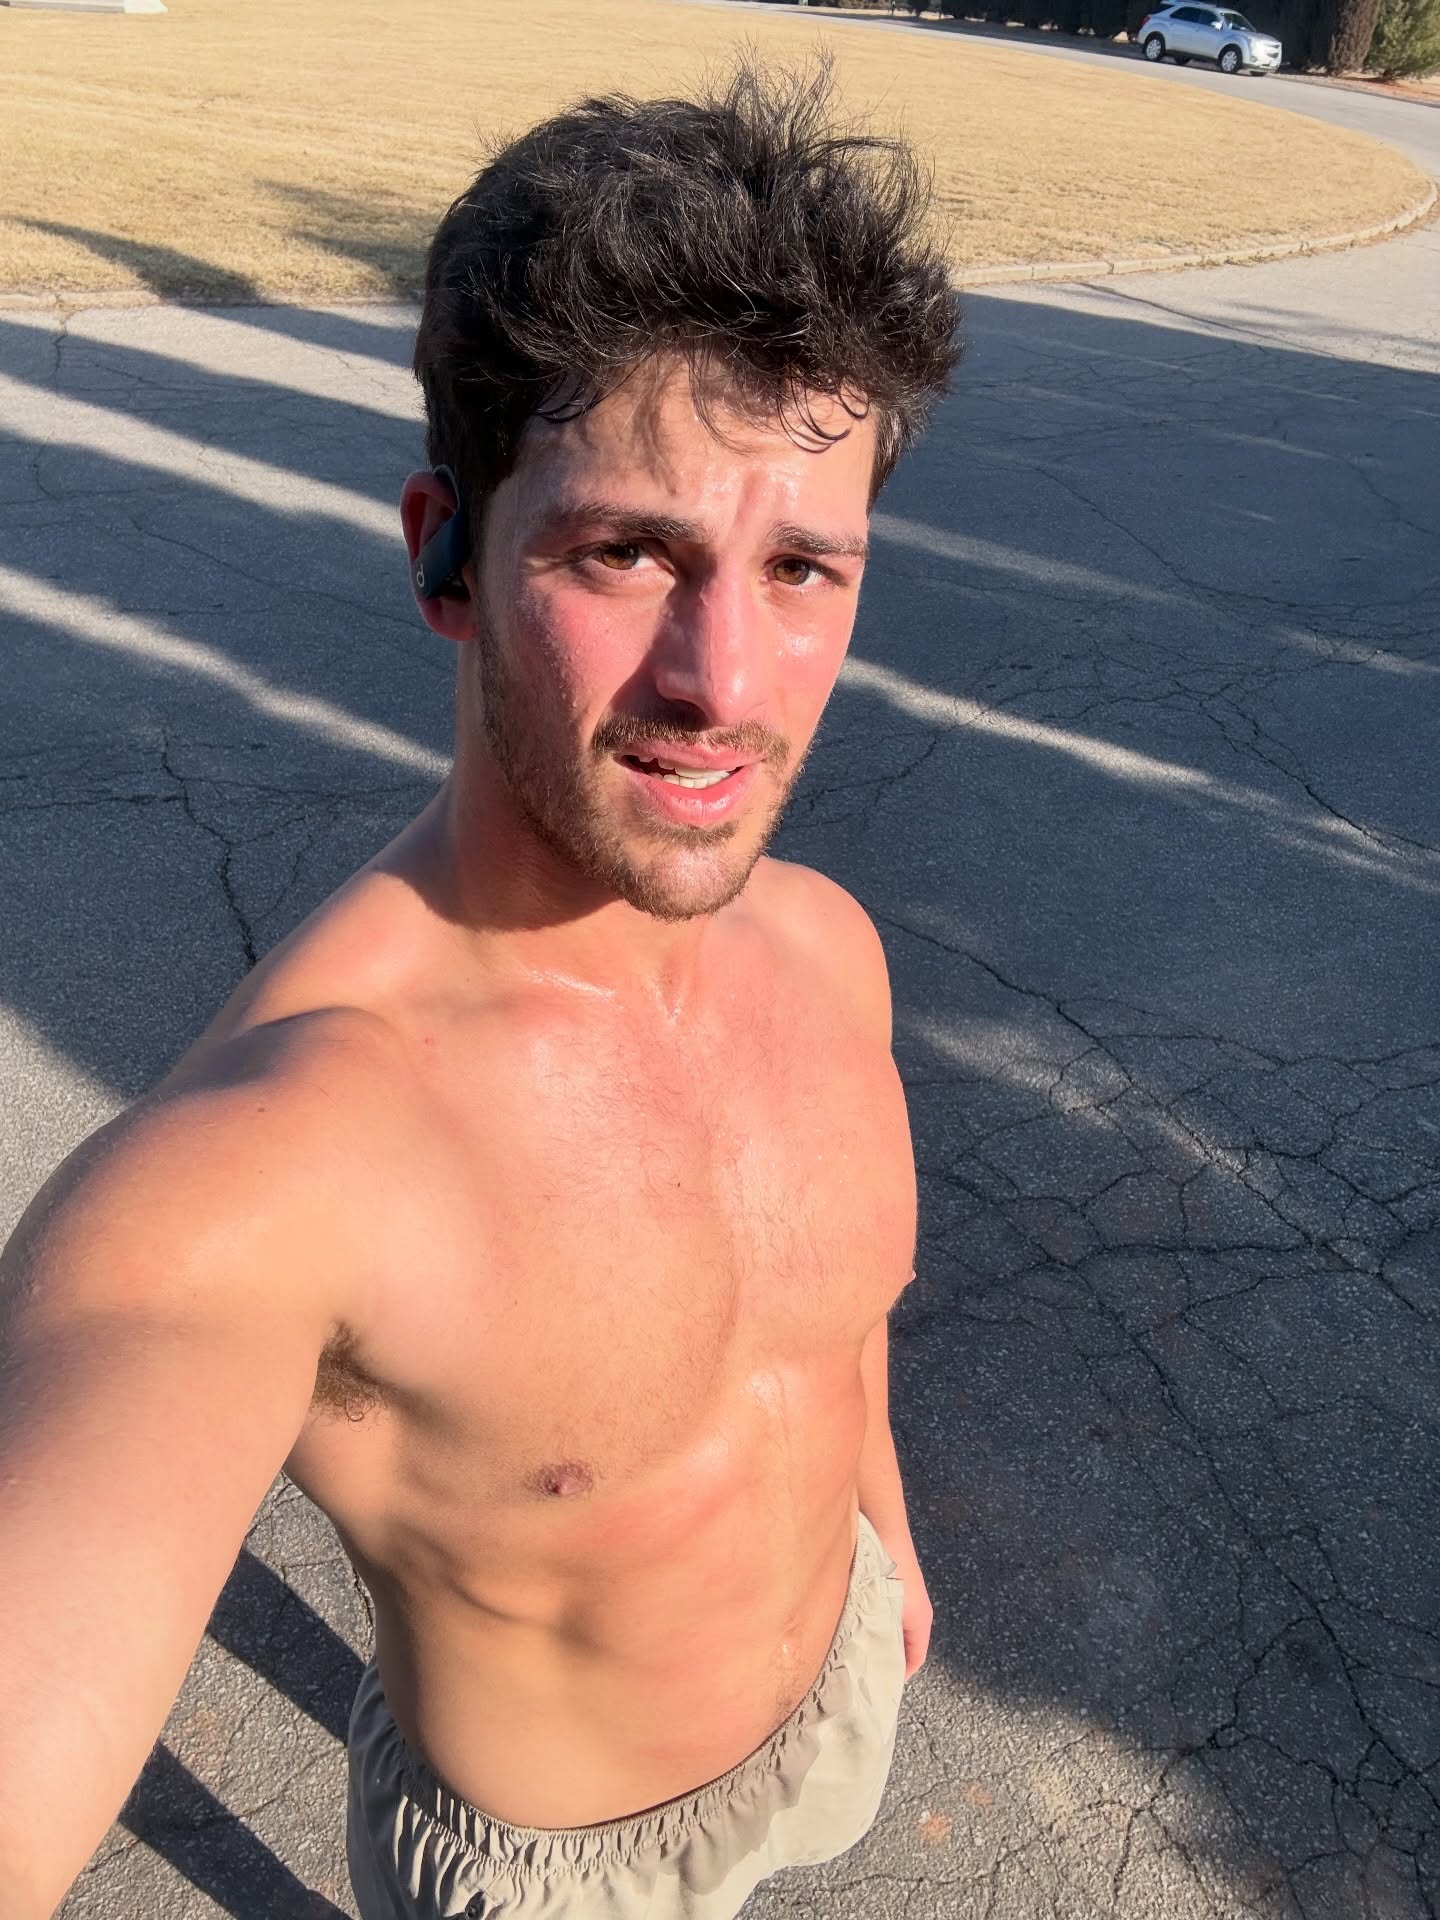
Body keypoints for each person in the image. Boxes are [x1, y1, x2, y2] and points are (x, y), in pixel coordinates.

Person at [0, 60, 961, 1920]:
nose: (725, 681)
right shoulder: (275, 1166)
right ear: (446, 553)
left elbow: (840, 1324)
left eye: (801, 566)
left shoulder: (831, 948)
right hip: (556, 1870)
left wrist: (886, 1543)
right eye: (629, 551)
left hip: (840, 1690)